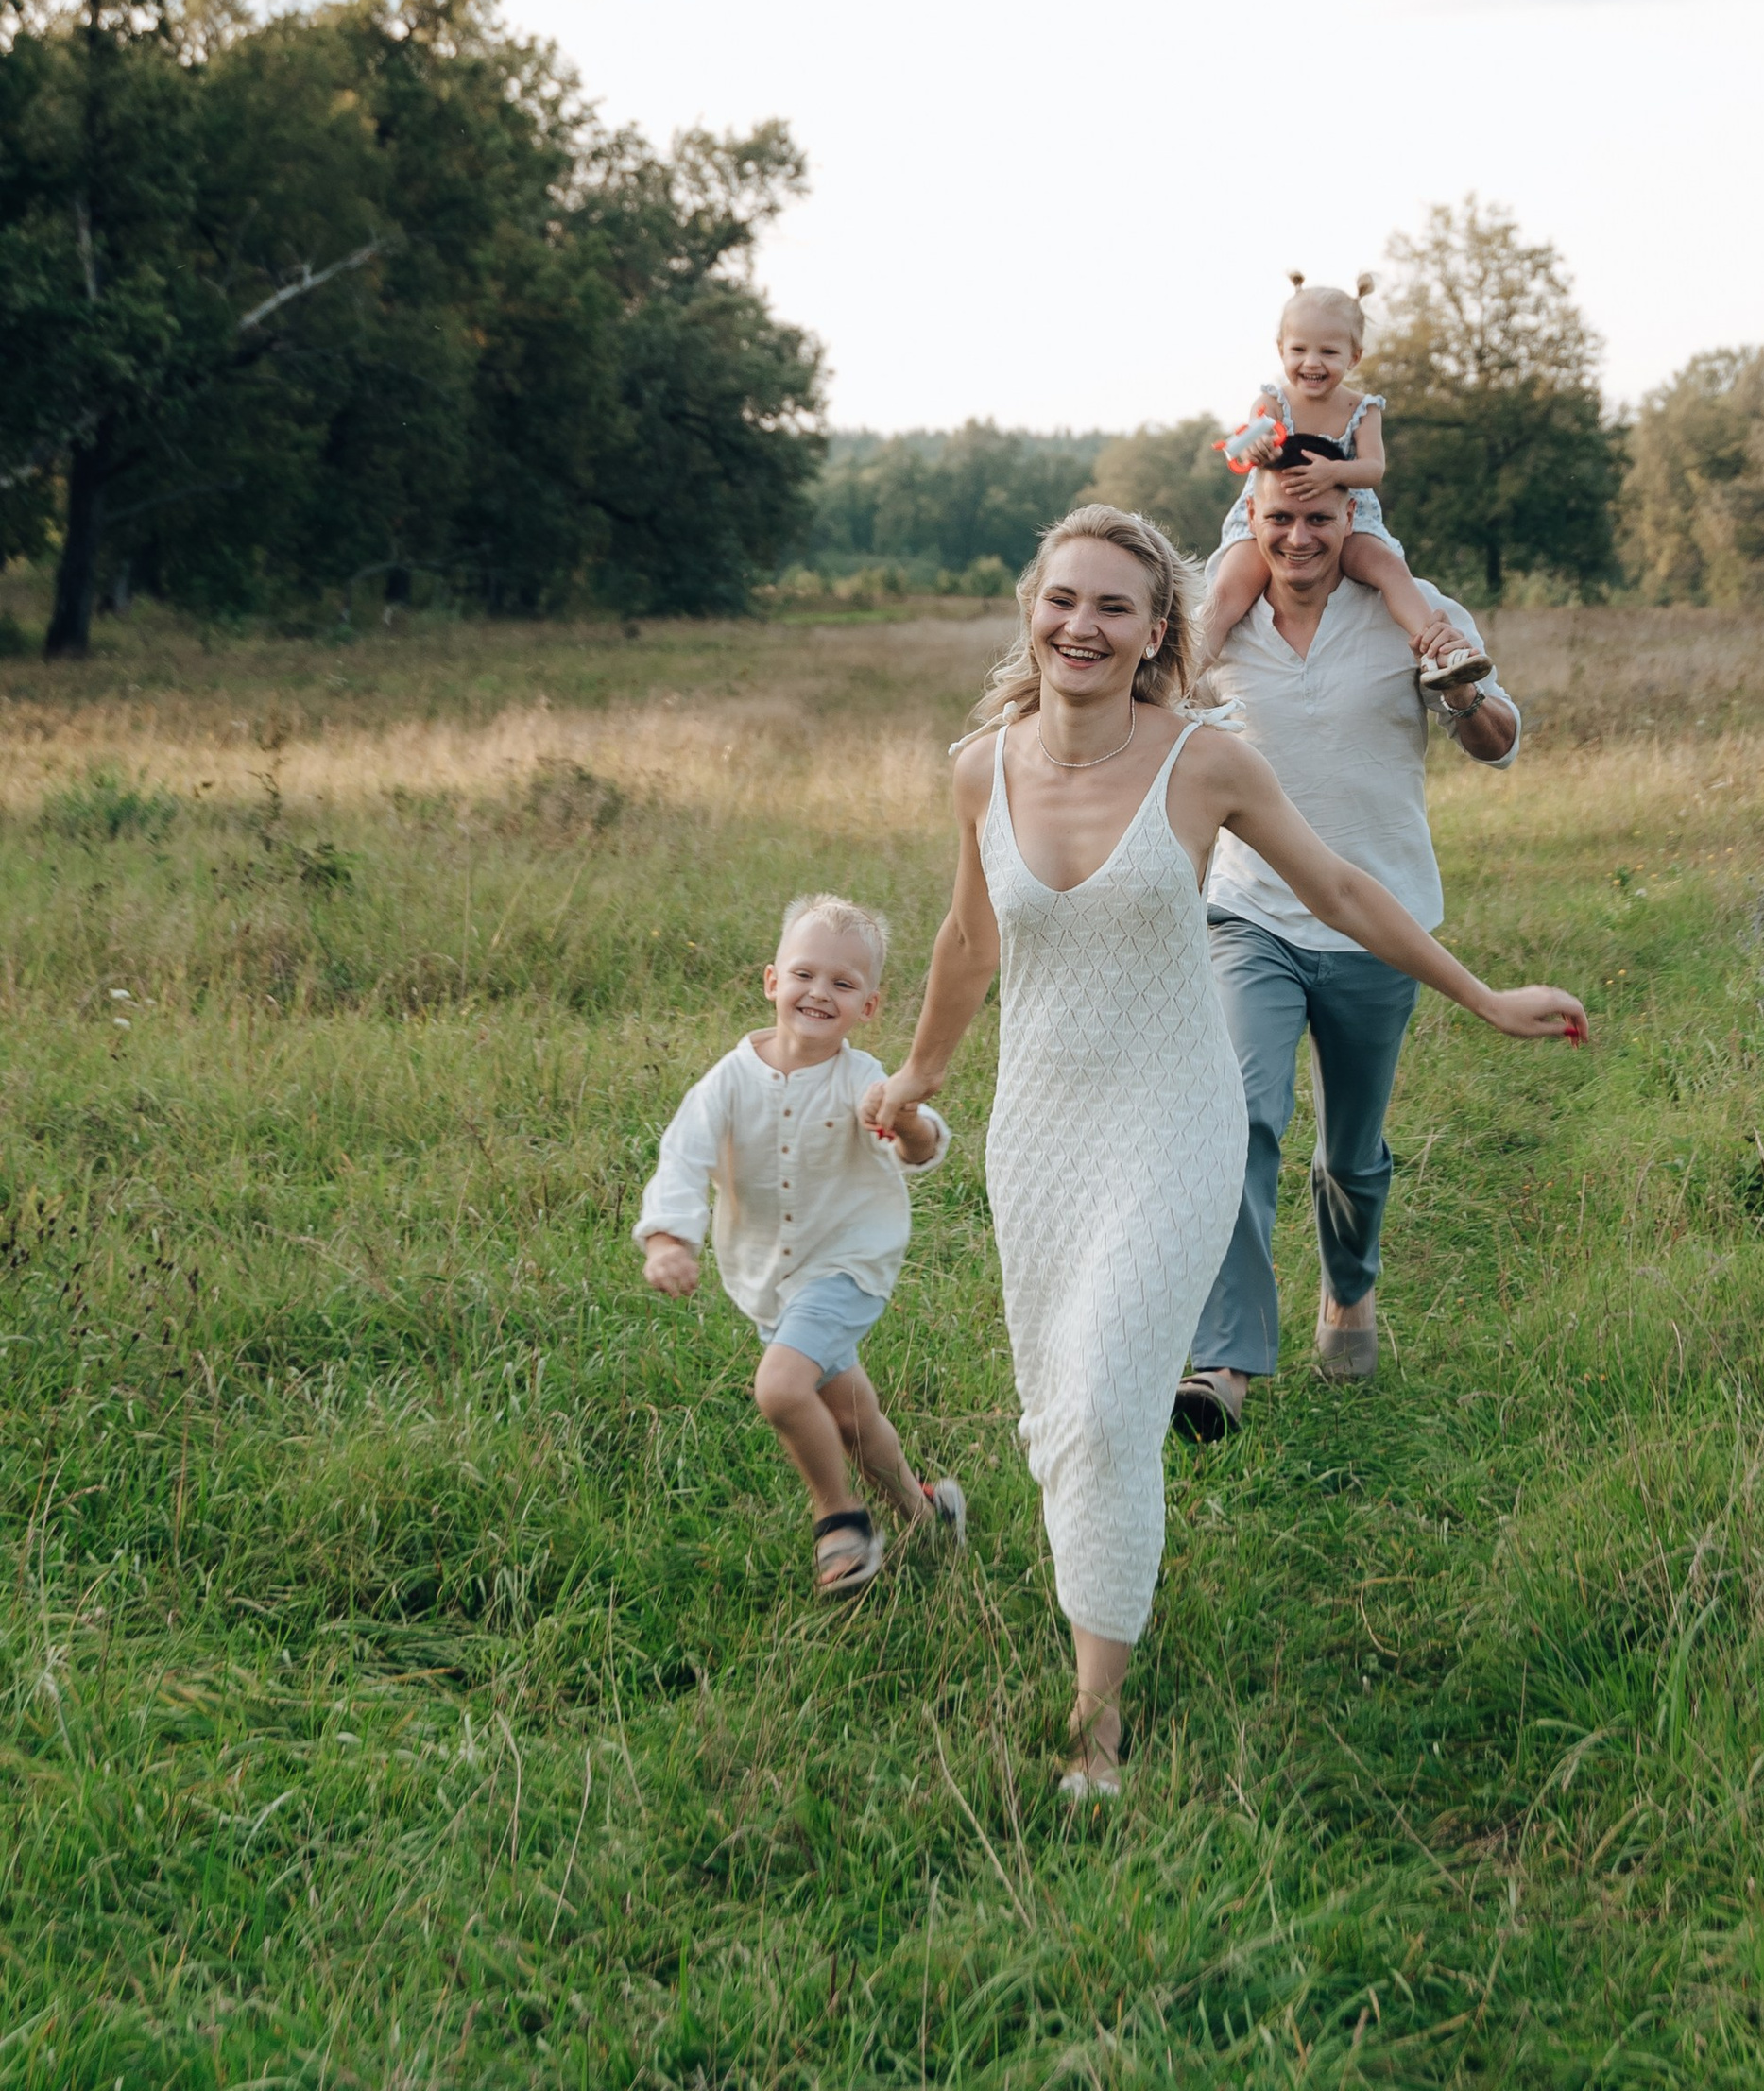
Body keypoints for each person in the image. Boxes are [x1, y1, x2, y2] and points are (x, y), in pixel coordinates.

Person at [868, 503, 1586, 1799]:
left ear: (1157, 634)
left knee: (1103, 1406)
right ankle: (1102, 1596)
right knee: (1058, 1416)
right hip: (1038, 1134)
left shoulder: (1205, 761)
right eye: (1061, 600)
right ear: (1032, 610)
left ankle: (1096, 1720)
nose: (1080, 626)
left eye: (1113, 608)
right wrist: (918, 1074)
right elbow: (968, 942)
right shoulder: (981, 767)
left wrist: (1482, 996)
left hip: (1171, 1122)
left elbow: (1345, 891)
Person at [1175, 468, 1525, 1431]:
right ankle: (1227, 1359)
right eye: (1277, 518)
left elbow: (1499, 740)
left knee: (1350, 1152)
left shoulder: (1409, 611)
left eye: (1317, 517)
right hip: (1250, 913)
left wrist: (1455, 694)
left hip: (1381, 916)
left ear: (1350, 519)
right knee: (1242, 1114)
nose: (1297, 537)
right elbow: (1143, 712)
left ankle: (1349, 1286)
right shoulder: (1221, 620)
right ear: (1249, 522)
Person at [636, 891, 966, 1599]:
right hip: (768, 1279)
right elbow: (683, 1161)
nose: (820, 993)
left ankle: (840, 1521)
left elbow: (925, 1142)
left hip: (848, 1263)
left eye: (844, 985)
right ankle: (923, 1512)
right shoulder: (726, 1083)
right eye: (805, 975)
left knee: (781, 1388)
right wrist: (669, 1239)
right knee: (851, 1416)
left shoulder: (862, 1080)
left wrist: (903, 1120)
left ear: (868, 1007)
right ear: (772, 981)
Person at [1197, 274, 1486, 693]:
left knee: (1389, 569)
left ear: (1354, 357)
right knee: (1228, 592)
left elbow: (1372, 468)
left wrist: (1333, 473)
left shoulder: (1361, 408)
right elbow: (1240, 448)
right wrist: (1255, 450)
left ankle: (1440, 652)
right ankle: (1181, 677)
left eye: (1328, 352)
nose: (1312, 362)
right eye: (1299, 350)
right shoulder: (1272, 402)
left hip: (1345, 515)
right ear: (1281, 351)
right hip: (1269, 516)